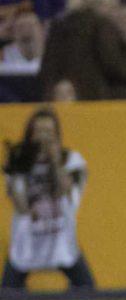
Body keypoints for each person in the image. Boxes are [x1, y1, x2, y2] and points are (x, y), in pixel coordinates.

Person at [4, 110, 92, 290]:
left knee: (87, 290)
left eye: (49, 132)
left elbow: (65, 192)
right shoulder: (20, 162)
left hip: (61, 238)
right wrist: (15, 173)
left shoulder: (71, 159)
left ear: (57, 135)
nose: (44, 138)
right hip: (27, 239)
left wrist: (54, 160)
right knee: (7, 294)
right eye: (39, 132)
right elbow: (21, 208)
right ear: (30, 135)